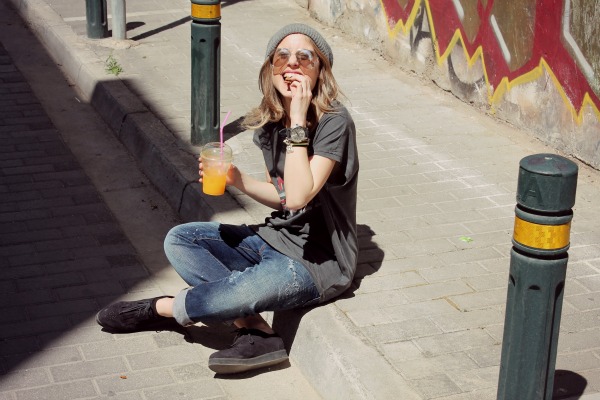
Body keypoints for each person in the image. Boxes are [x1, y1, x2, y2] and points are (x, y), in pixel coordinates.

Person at [96, 23, 359, 374]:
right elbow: (283, 198)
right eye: (282, 56)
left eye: (304, 57)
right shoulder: (271, 125)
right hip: (273, 239)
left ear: (320, 70)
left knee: (235, 292)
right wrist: (238, 180)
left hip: (317, 261)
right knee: (182, 239)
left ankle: (165, 308)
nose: (292, 63)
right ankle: (257, 331)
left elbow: (299, 196)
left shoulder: (334, 122)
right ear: (270, 68)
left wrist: (298, 119)